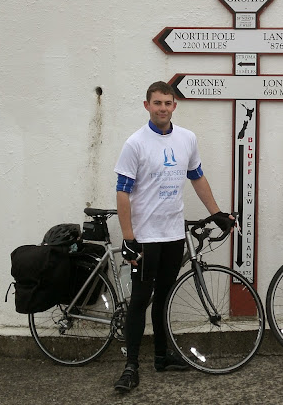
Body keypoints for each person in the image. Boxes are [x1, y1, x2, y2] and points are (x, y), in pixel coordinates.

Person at [113, 81, 234, 392]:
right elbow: (122, 193)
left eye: (167, 102)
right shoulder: (135, 143)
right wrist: (129, 237)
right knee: (140, 299)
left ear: (174, 106)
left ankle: (162, 357)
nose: (162, 108)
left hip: (172, 234)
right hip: (144, 237)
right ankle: (130, 367)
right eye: (157, 103)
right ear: (147, 106)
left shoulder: (187, 139)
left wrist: (217, 212)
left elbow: (197, 177)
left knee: (163, 298)